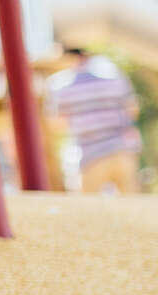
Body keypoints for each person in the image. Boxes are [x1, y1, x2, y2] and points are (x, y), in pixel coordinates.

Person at [49, 47, 145, 195]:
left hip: (89, 154)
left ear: (67, 57)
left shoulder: (60, 86)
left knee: (90, 209)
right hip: (122, 150)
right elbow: (132, 110)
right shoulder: (115, 78)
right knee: (130, 205)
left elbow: (56, 124)